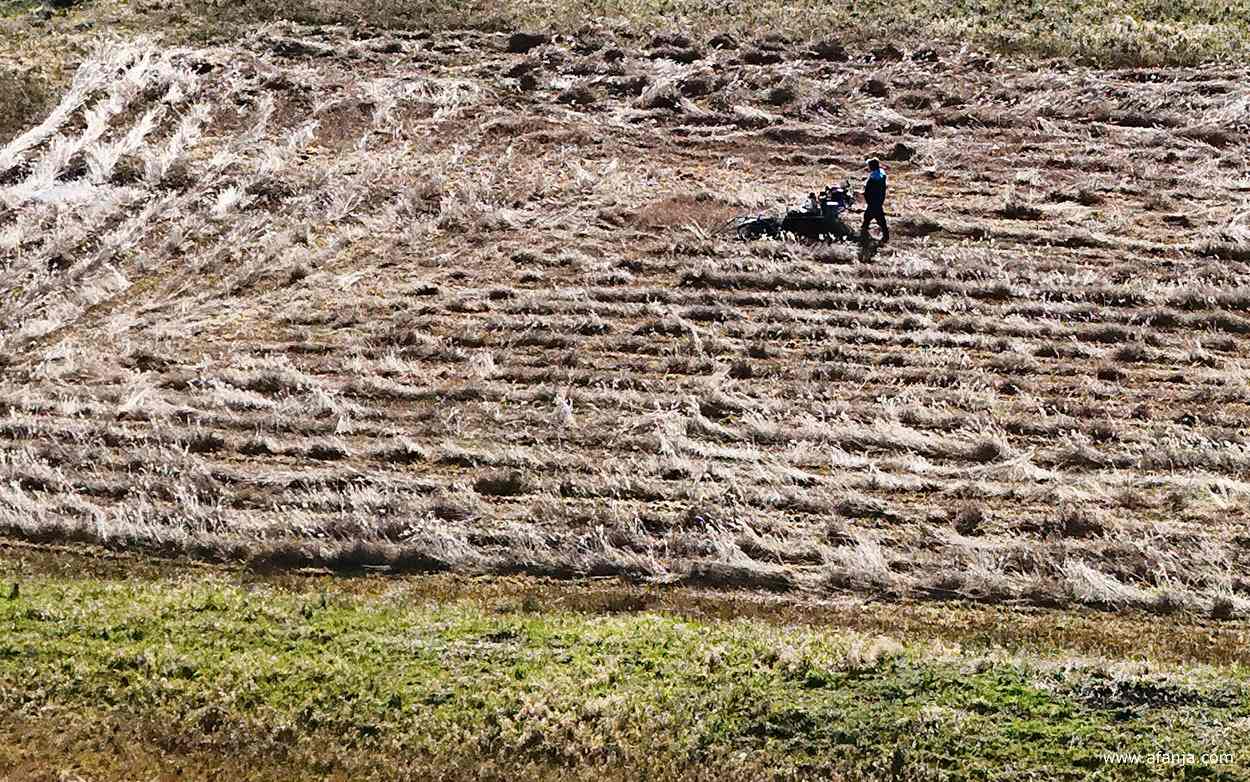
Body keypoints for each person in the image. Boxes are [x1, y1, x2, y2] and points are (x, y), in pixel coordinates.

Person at [861, 158, 889, 244]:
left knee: (880, 219)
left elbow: (868, 192)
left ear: (872, 167)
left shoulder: (873, 178)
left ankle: (885, 237)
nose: (868, 167)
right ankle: (863, 233)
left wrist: (865, 196)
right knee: (867, 217)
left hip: (873, 202)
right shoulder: (881, 173)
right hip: (879, 199)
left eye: (869, 165)